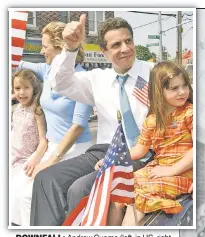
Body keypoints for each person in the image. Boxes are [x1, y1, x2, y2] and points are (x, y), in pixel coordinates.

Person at [30, 15, 155, 226]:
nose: (125, 48)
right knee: (46, 179)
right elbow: (60, 83)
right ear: (104, 52)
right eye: (116, 45)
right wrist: (70, 49)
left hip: (141, 153)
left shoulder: (153, 73)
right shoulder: (97, 78)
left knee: (81, 188)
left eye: (128, 41)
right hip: (103, 150)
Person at [12, 21, 93, 226]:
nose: (41, 51)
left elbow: (78, 126)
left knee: (30, 195)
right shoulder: (47, 70)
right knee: (15, 189)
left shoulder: (82, 78)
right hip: (51, 146)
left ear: (60, 47)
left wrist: (49, 162)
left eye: (45, 46)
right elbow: (16, 63)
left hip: (74, 148)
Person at [102, 61, 193, 225]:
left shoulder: (190, 113)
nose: (182, 92)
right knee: (119, 190)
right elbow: (139, 150)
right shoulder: (152, 120)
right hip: (160, 168)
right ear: (159, 91)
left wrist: (171, 170)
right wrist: (113, 158)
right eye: (174, 88)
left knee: (139, 197)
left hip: (185, 171)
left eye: (184, 86)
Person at [11, 69, 47, 225]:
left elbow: (43, 141)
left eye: (26, 88)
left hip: (28, 160)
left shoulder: (37, 110)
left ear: (34, 88)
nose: (22, 93)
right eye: (17, 88)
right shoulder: (16, 109)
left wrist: (34, 160)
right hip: (13, 159)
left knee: (18, 194)